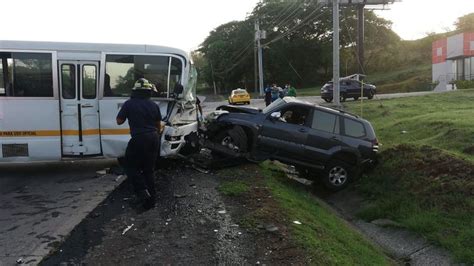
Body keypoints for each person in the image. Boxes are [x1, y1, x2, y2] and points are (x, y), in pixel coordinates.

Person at [116, 78, 162, 210]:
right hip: (154, 138)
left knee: (130, 167)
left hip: (139, 139)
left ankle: (142, 191)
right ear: (149, 92)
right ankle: (151, 202)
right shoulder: (154, 105)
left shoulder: (129, 104)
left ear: (134, 91)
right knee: (149, 170)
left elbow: (119, 121)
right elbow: (158, 125)